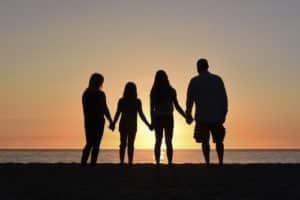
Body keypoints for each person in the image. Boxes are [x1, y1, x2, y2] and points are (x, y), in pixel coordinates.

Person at [186, 58, 228, 166]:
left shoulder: (194, 81)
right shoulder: (217, 79)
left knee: (205, 142)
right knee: (219, 141)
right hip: (216, 115)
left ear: (198, 68)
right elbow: (223, 98)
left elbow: (190, 100)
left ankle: (207, 162)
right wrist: (224, 113)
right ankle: (220, 162)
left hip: (202, 116)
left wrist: (188, 113)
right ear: (208, 66)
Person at [110, 82, 152, 165]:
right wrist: (148, 125)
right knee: (130, 144)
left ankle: (122, 162)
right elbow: (141, 115)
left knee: (123, 144)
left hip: (124, 124)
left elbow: (117, 113)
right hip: (132, 125)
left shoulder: (122, 101)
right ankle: (130, 163)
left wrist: (113, 123)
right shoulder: (137, 101)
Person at [150, 70, 186, 165]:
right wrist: (185, 116)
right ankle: (170, 162)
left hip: (158, 117)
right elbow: (177, 106)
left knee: (158, 140)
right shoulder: (171, 90)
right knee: (168, 140)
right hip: (168, 117)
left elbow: (151, 109)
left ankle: (157, 162)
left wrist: (152, 121)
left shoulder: (154, 91)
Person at [80, 73, 113, 167]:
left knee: (89, 143)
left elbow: (86, 110)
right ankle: (92, 164)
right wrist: (111, 121)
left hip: (88, 121)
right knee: (96, 144)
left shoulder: (86, 94)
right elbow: (104, 108)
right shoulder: (100, 94)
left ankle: (83, 164)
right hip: (98, 121)